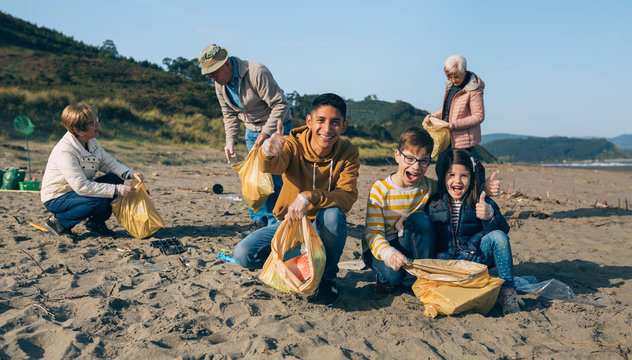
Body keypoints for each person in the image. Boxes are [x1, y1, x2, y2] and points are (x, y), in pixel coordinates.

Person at [233, 93, 360, 306]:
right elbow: (274, 165)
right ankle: (291, 261)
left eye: (335, 122)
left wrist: (309, 196)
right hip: (289, 224)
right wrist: (267, 151)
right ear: (309, 122)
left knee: (334, 214)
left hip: (322, 228)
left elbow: (347, 195)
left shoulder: (349, 152)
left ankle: (327, 279)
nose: (327, 129)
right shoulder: (293, 144)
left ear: (344, 126)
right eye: (321, 121)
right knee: (243, 254)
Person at [198, 44, 292, 232]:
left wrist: (266, 133)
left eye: (214, 74)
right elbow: (228, 114)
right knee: (255, 178)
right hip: (251, 130)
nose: (213, 79)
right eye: (209, 76)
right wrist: (230, 140)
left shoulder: (257, 72)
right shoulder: (220, 84)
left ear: (226, 63)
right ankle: (259, 220)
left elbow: (280, 105)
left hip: (276, 127)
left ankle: (277, 220)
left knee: (276, 176)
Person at [427, 148, 521, 314]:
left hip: (474, 258)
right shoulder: (433, 203)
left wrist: (490, 216)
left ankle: (508, 291)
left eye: (464, 175)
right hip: (447, 264)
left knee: (498, 237)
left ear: (471, 177)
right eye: (451, 175)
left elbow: (503, 232)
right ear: (443, 177)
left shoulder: (480, 199)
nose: (458, 181)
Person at [40, 104, 143, 237]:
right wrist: (117, 190)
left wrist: (130, 173)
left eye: (97, 120)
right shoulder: (65, 151)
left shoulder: (92, 141)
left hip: (78, 191)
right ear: (78, 131)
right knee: (98, 201)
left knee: (116, 179)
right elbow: (81, 186)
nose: (97, 124)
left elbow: (108, 163)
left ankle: (95, 224)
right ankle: (59, 222)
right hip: (58, 197)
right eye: (92, 123)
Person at [363, 127, 437, 294]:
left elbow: (454, 190)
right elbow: (373, 232)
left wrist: (483, 187)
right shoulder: (380, 189)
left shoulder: (429, 186)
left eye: (423, 161)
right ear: (397, 155)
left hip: (407, 242)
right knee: (393, 277)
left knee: (420, 218)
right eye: (409, 158)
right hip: (381, 247)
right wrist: (388, 253)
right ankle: (384, 277)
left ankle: (423, 274)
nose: (416, 167)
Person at [424, 54, 485, 153]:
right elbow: (448, 109)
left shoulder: (474, 89)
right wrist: (433, 116)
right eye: (449, 77)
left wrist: (453, 125)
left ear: (464, 70)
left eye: (456, 77)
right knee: (442, 167)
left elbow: (478, 116)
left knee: (457, 168)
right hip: (447, 137)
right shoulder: (450, 85)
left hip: (463, 142)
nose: (452, 80)